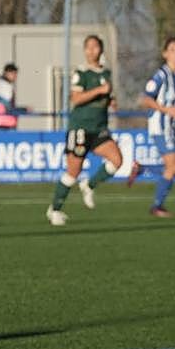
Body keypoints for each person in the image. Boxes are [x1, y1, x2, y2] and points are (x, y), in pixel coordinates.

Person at [45, 34, 130, 226]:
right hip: (80, 128)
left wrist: (112, 101)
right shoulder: (81, 73)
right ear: (85, 51)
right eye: (88, 47)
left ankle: (89, 185)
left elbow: (107, 97)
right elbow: (75, 98)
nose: (91, 51)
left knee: (117, 160)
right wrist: (99, 91)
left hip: (99, 128)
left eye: (95, 47)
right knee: (73, 172)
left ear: (100, 50)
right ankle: (55, 209)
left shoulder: (106, 74)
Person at [138, 37, 175, 217]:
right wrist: (166, 110)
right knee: (171, 168)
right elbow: (146, 99)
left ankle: (142, 168)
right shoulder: (160, 76)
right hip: (160, 126)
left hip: (174, 127)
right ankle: (157, 207)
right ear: (165, 54)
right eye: (172, 49)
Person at [0, 62, 28, 129]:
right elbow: (7, 108)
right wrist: (23, 110)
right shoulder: (5, 87)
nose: (15, 77)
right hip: (5, 122)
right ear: (7, 73)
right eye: (14, 74)